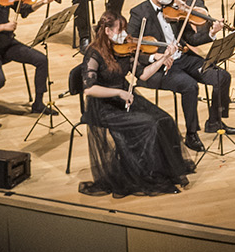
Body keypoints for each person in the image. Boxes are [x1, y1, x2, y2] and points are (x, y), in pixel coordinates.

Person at [78, 13, 190, 197]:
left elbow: (143, 74)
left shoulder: (123, 50)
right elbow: (89, 89)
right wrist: (119, 92)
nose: (125, 34)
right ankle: (146, 175)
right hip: (104, 106)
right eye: (120, 30)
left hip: (124, 98)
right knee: (148, 124)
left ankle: (165, 171)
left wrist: (164, 58)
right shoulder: (94, 53)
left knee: (164, 119)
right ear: (107, 31)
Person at [127, 0, 235, 151]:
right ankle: (192, 134)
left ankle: (215, 121)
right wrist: (156, 57)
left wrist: (211, 33)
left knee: (222, 76)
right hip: (161, 67)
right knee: (190, 86)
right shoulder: (139, 13)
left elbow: (191, 39)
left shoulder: (175, 8)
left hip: (183, 58)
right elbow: (131, 46)